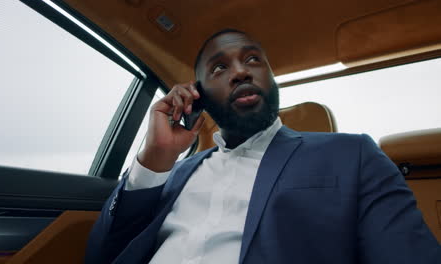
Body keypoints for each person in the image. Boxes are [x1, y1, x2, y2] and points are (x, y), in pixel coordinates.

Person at [85, 29, 441, 264]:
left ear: (271, 78)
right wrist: (154, 159)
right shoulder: (174, 174)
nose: (240, 72)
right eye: (220, 67)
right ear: (199, 95)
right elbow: (102, 254)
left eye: (253, 59)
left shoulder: (352, 155)